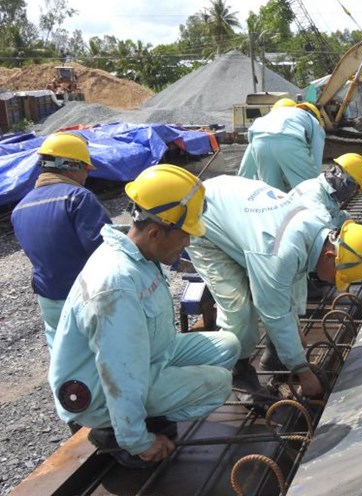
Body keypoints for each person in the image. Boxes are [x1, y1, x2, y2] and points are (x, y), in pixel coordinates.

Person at [48, 164, 240, 469]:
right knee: (219, 383)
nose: (188, 243)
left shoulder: (137, 253)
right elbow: (121, 375)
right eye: (185, 235)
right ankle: (113, 431)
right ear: (154, 232)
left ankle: (148, 409)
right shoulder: (116, 287)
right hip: (101, 389)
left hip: (149, 355)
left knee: (228, 345)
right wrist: (140, 442)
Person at [185, 175, 362, 400]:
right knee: (239, 309)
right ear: (330, 256)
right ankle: (238, 372)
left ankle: (275, 356)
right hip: (203, 219)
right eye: (338, 277)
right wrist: (303, 370)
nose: (333, 283)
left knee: (272, 297)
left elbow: (290, 281)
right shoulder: (279, 252)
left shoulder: (318, 229)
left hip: (233, 207)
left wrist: (295, 324)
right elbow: (274, 311)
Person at [11, 132, 111, 348]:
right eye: (85, 168)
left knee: (63, 363)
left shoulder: (20, 209)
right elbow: (107, 252)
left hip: (48, 298)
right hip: (85, 298)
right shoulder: (78, 198)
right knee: (103, 361)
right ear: (71, 166)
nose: (87, 175)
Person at [237, 101, 326, 193]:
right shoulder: (314, 122)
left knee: (271, 193)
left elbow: (248, 162)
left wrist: (240, 186)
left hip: (259, 143)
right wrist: (315, 182)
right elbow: (316, 156)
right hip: (289, 142)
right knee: (308, 189)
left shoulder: (272, 117)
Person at [288, 153, 362, 228]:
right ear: (341, 176)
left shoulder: (328, 195)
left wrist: (349, 221)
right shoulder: (313, 192)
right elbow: (325, 228)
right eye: (353, 187)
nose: (351, 193)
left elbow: (334, 215)